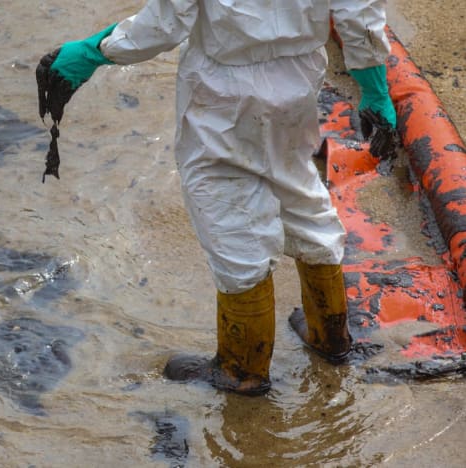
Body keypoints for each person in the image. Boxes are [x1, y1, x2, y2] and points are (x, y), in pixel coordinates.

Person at [37, 1, 397, 395]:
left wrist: (95, 51)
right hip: (297, 79)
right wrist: (374, 88)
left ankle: (242, 368)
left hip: (222, 90)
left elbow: (164, 24)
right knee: (297, 189)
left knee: (227, 212)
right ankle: (329, 335)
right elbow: (358, 11)